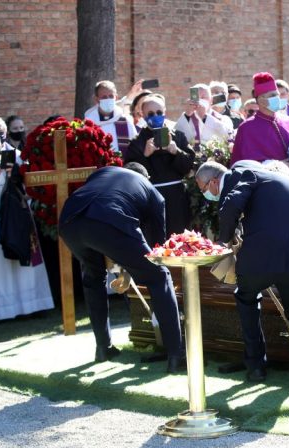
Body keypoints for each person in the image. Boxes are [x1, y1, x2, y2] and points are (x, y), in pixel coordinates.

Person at [195, 161, 289, 385]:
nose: (205, 193)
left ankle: (256, 365)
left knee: (246, 297)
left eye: (203, 188)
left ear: (215, 181)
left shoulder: (243, 174)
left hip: (262, 253)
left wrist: (223, 241)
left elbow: (232, 204)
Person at [59, 165, 185, 372]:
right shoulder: (151, 191)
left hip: (69, 221)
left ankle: (103, 347)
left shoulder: (105, 172)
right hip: (109, 220)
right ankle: (176, 354)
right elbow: (157, 249)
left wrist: (127, 270)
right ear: (147, 177)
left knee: (93, 278)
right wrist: (140, 269)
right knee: (159, 277)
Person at [0, 129, 54, 321]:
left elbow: (28, 189)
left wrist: (15, 175)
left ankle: (34, 305)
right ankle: (5, 310)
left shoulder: (14, 159)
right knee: (0, 263)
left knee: (25, 258)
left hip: (18, 213)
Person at [124, 93, 196, 236]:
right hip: (151, 198)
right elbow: (131, 173)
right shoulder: (136, 142)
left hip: (177, 198)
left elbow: (189, 166)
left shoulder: (178, 136)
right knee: (156, 238)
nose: (155, 116)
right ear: (142, 114)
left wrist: (176, 152)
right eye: (150, 113)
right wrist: (145, 155)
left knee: (179, 238)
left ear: (164, 112)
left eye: (159, 112)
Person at [230, 72, 289, 183]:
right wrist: (279, 167)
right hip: (265, 188)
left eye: (277, 94)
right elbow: (242, 166)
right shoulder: (246, 128)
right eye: (272, 96)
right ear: (260, 100)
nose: (277, 98)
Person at [83, 80, 138, 154]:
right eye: (104, 97)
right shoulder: (89, 123)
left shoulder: (125, 121)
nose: (108, 99)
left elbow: (135, 146)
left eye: (111, 96)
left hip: (123, 164)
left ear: (116, 97)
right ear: (96, 99)